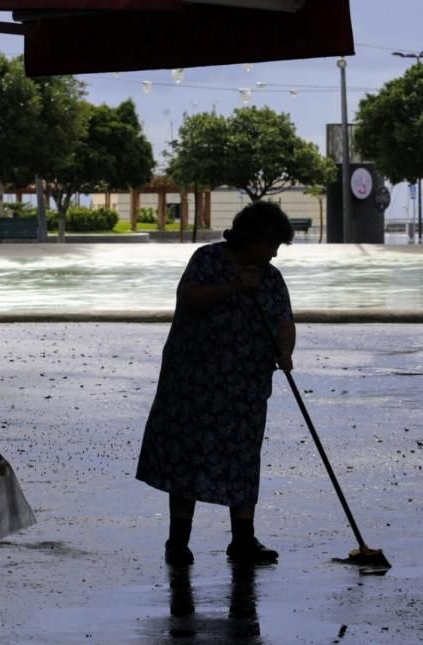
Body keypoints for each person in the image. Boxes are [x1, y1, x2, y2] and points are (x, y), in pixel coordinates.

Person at [136, 201, 296, 566]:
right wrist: (235, 286)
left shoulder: (271, 278)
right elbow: (189, 298)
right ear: (252, 238)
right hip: (194, 381)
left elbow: (285, 322)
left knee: (242, 456)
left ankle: (243, 539)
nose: (273, 253)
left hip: (245, 386)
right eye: (271, 244)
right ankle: (178, 541)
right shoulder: (207, 260)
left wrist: (285, 351)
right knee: (187, 456)